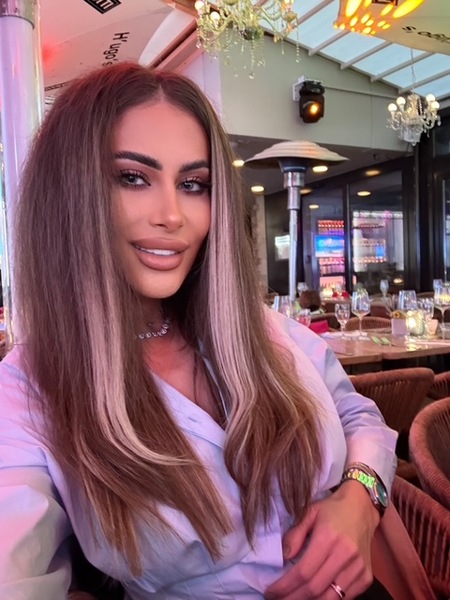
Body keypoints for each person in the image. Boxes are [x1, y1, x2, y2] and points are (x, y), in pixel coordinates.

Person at [0, 63, 400, 600]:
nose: (173, 215)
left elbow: (358, 415)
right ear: (68, 194)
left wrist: (361, 497)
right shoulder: (28, 389)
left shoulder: (258, 327)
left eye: (193, 185)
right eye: (133, 177)